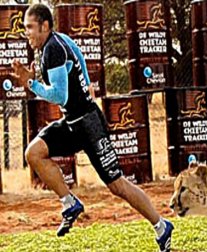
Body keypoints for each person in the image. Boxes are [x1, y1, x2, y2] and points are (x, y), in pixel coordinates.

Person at [11, 4, 173, 251]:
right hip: (72, 122)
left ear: (45, 26)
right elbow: (78, 56)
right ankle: (69, 203)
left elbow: (60, 96)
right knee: (34, 153)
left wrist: (31, 83)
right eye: (25, 28)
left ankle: (162, 226)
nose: (27, 34)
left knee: (117, 185)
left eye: (30, 27)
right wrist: (87, 84)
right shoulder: (53, 43)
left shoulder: (53, 48)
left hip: (88, 124)